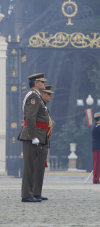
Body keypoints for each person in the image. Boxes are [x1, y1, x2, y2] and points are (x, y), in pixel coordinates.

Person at [18, 73, 49, 203]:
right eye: (42, 82)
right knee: (30, 166)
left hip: (38, 134)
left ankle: (34, 193)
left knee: (35, 166)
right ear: (36, 83)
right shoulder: (33, 97)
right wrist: (33, 136)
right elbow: (30, 117)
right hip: (32, 135)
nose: (44, 84)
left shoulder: (36, 96)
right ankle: (26, 195)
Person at [33, 85, 54, 201]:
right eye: (49, 94)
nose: (50, 96)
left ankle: (37, 192)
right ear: (43, 95)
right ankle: (33, 192)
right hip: (39, 138)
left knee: (41, 168)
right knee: (36, 168)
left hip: (45, 139)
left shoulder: (45, 107)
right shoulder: (39, 105)